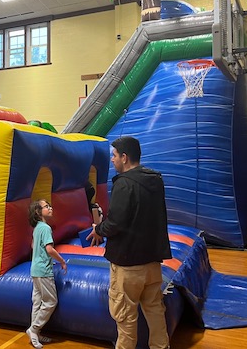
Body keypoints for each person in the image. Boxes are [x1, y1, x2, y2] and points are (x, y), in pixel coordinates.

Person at [91, 136, 171, 349]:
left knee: (125, 318)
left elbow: (115, 223)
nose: (112, 161)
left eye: (114, 156)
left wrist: (98, 229)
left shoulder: (124, 184)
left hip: (128, 265)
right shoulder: (155, 180)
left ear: (124, 158)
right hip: (153, 263)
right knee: (155, 311)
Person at [27, 199, 68, 349]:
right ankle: (34, 329)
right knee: (51, 302)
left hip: (35, 269)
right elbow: (49, 249)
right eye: (46, 206)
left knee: (37, 302)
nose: (50, 208)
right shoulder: (45, 227)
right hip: (43, 271)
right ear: (38, 212)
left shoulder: (37, 228)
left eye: (49, 205)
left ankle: (35, 334)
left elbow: (33, 245)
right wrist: (62, 261)